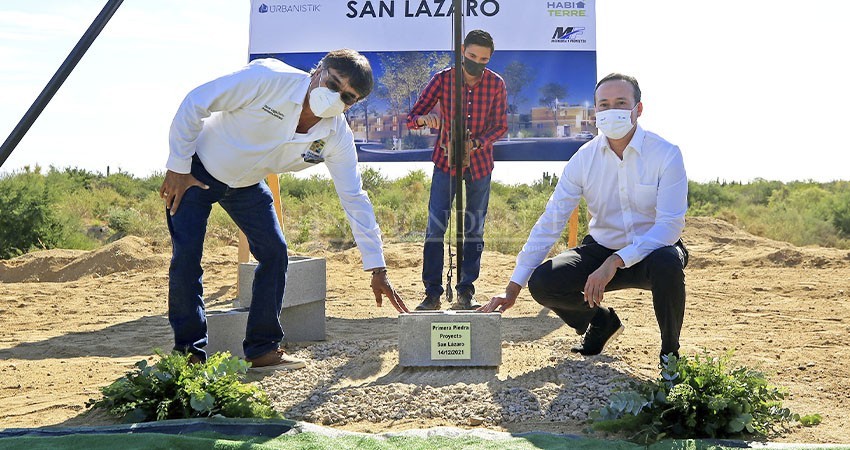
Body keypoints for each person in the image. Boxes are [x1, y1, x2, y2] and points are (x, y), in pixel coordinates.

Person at [160, 49, 409, 372]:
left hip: (247, 184)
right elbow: (196, 102)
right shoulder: (268, 79)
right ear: (318, 70)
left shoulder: (336, 136)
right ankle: (189, 355)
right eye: (333, 84)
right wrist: (177, 166)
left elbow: (354, 197)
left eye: (347, 97)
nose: (335, 97)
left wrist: (378, 268)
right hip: (197, 171)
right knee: (187, 259)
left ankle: (263, 349)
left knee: (275, 254)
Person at [479, 73, 688, 364]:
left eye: (620, 102)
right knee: (542, 281)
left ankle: (670, 358)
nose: (611, 110)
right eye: (604, 104)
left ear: (637, 109)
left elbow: (669, 226)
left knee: (669, 262)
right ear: (595, 112)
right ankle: (601, 321)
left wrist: (616, 261)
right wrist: (513, 287)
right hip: (600, 249)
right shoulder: (583, 159)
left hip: (653, 251)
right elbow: (552, 219)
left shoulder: (666, 154)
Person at [406, 29, 508, 311]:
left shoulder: (496, 84)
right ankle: (432, 293)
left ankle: (466, 291)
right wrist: (426, 120)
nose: (477, 63)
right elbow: (411, 118)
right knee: (435, 227)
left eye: (483, 59)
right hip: (444, 162)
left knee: (474, 228)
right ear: (462, 50)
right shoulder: (442, 79)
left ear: (489, 59)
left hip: (479, 165)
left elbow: (500, 126)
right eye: (472, 56)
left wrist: (476, 143)